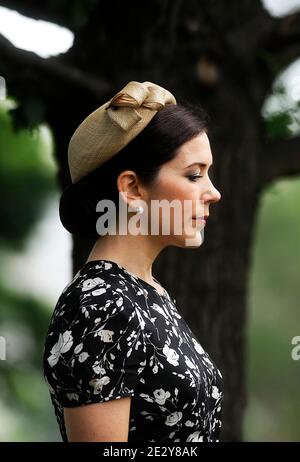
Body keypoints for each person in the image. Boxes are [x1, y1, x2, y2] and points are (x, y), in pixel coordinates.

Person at [43, 80, 223, 442]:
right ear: (132, 189)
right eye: (194, 174)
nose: (214, 193)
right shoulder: (100, 306)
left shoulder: (145, 292)